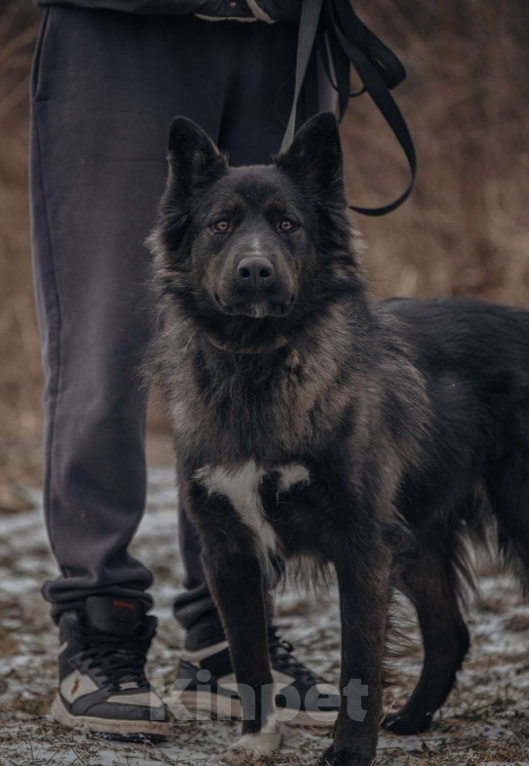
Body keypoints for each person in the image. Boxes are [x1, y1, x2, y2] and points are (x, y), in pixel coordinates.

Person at [30, 0, 341, 738]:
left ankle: (228, 635)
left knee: (266, 343)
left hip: (283, 35)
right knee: (107, 343)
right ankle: (98, 622)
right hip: (123, 34)